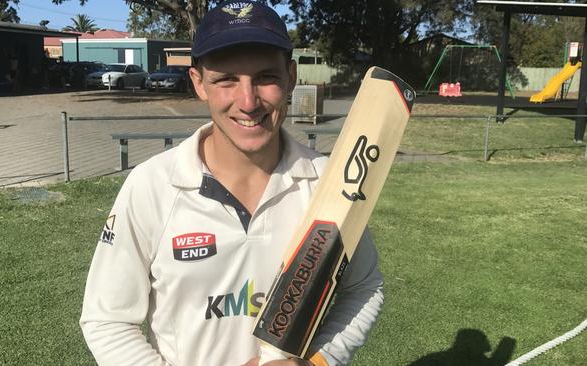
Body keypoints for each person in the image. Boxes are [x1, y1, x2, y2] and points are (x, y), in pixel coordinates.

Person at [80, 1, 384, 365]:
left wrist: (317, 362)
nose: (248, 100)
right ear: (199, 84)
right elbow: (107, 319)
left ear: (290, 77)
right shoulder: (152, 186)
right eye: (226, 79)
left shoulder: (329, 181)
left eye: (265, 77)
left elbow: (364, 288)